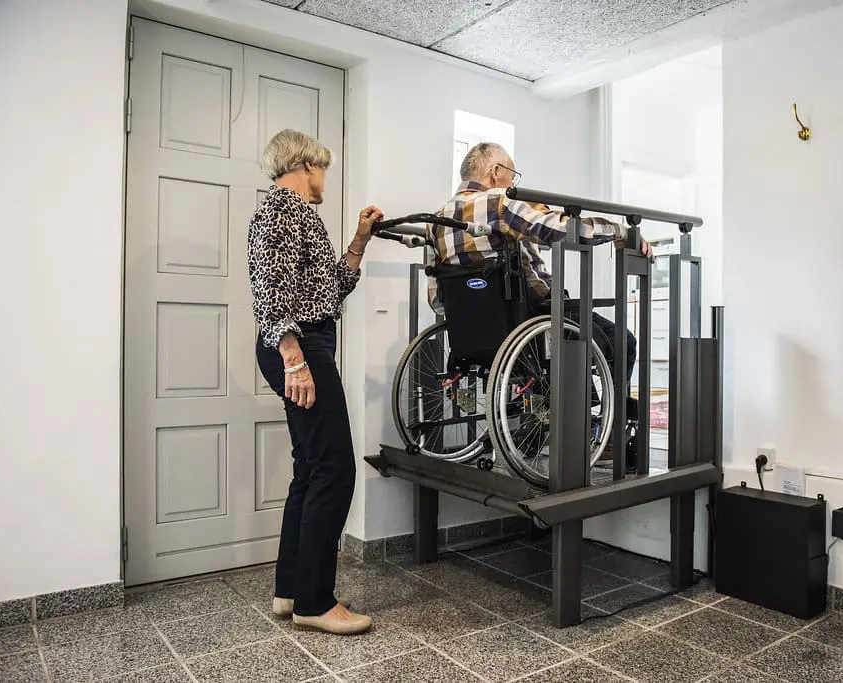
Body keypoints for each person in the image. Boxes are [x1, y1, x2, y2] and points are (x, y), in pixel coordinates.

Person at [426, 142, 650, 460]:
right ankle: (610, 433)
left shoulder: (435, 221)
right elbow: (560, 231)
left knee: (563, 329)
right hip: (532, 316)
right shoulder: (500, 202)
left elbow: (436, 300)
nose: (514, 183)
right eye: (512, 175)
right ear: (495, 172)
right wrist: (618, 231)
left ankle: (555, 418)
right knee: (622, 341)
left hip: (472, 334)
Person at [248, 128, 383, 635]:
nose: (325, 176)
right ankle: (315, 603)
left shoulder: (295, 215)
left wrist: (358, 241)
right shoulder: (285, 209)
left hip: (301, 341)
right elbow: (270, 287)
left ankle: (291, 592)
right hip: (298, 345)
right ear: (306, 165)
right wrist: (294, 357)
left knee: (310, 468)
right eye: (322, 167)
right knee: (334, 469)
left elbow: (328, 290)